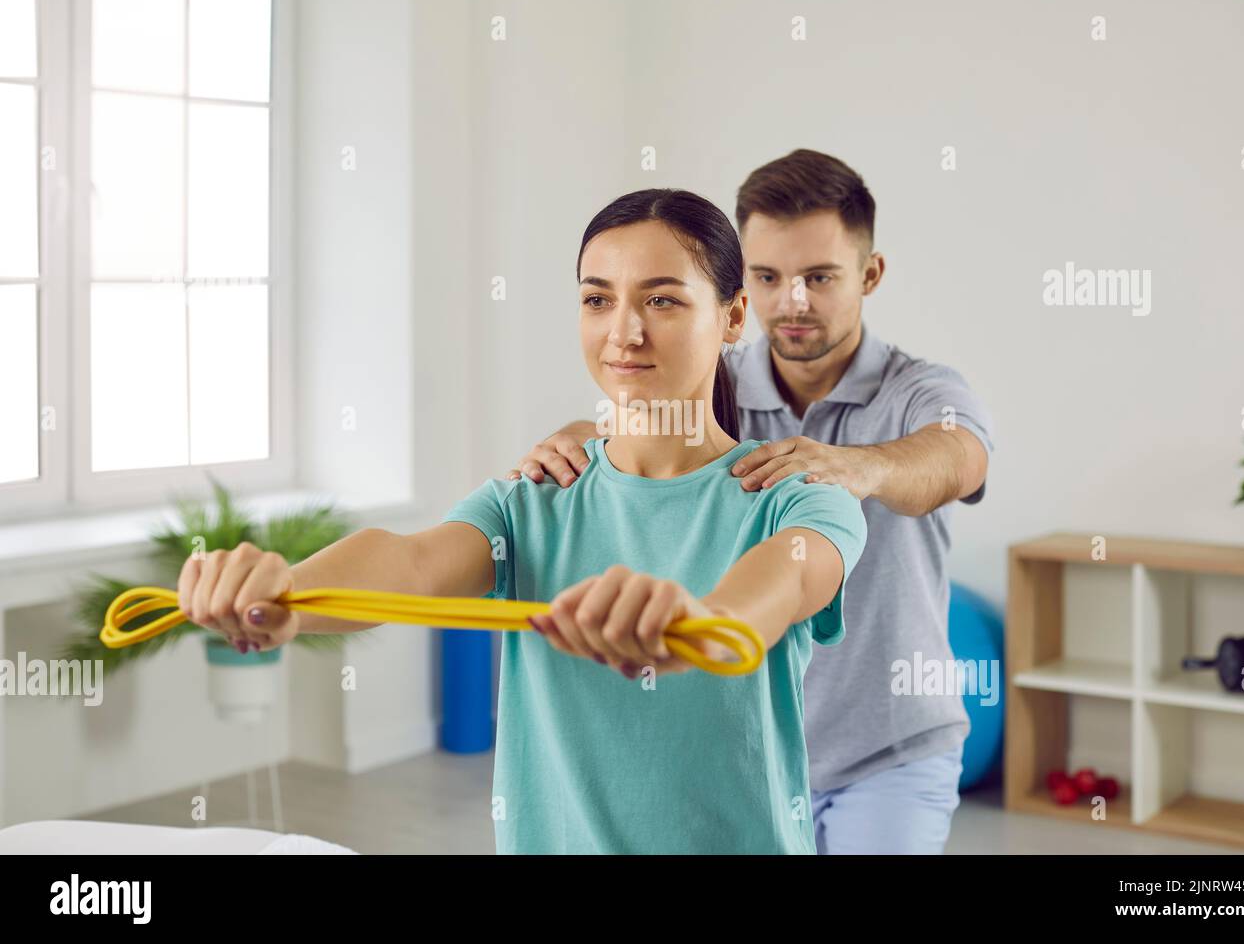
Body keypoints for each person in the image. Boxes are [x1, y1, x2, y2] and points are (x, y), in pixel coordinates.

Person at [174, 187, 868, 855]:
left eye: (661, 299)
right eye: (598, 299)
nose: (624, 331)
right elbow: (410, 562)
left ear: (734, 316)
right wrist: (286, 594)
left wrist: (698, 623)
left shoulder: (797, 494)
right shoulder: (535, 496)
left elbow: (773, 593)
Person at [508, 150, 995, 854]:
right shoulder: (715, 379)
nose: (791, 302)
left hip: (887, 751)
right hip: (752, 751)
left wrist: (859, 466)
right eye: (768, 277)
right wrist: (590, 434)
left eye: (819, 278)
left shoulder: (921, 390)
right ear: (740, 295)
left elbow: (957, 458)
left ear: (870, 274)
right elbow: (642, 425)